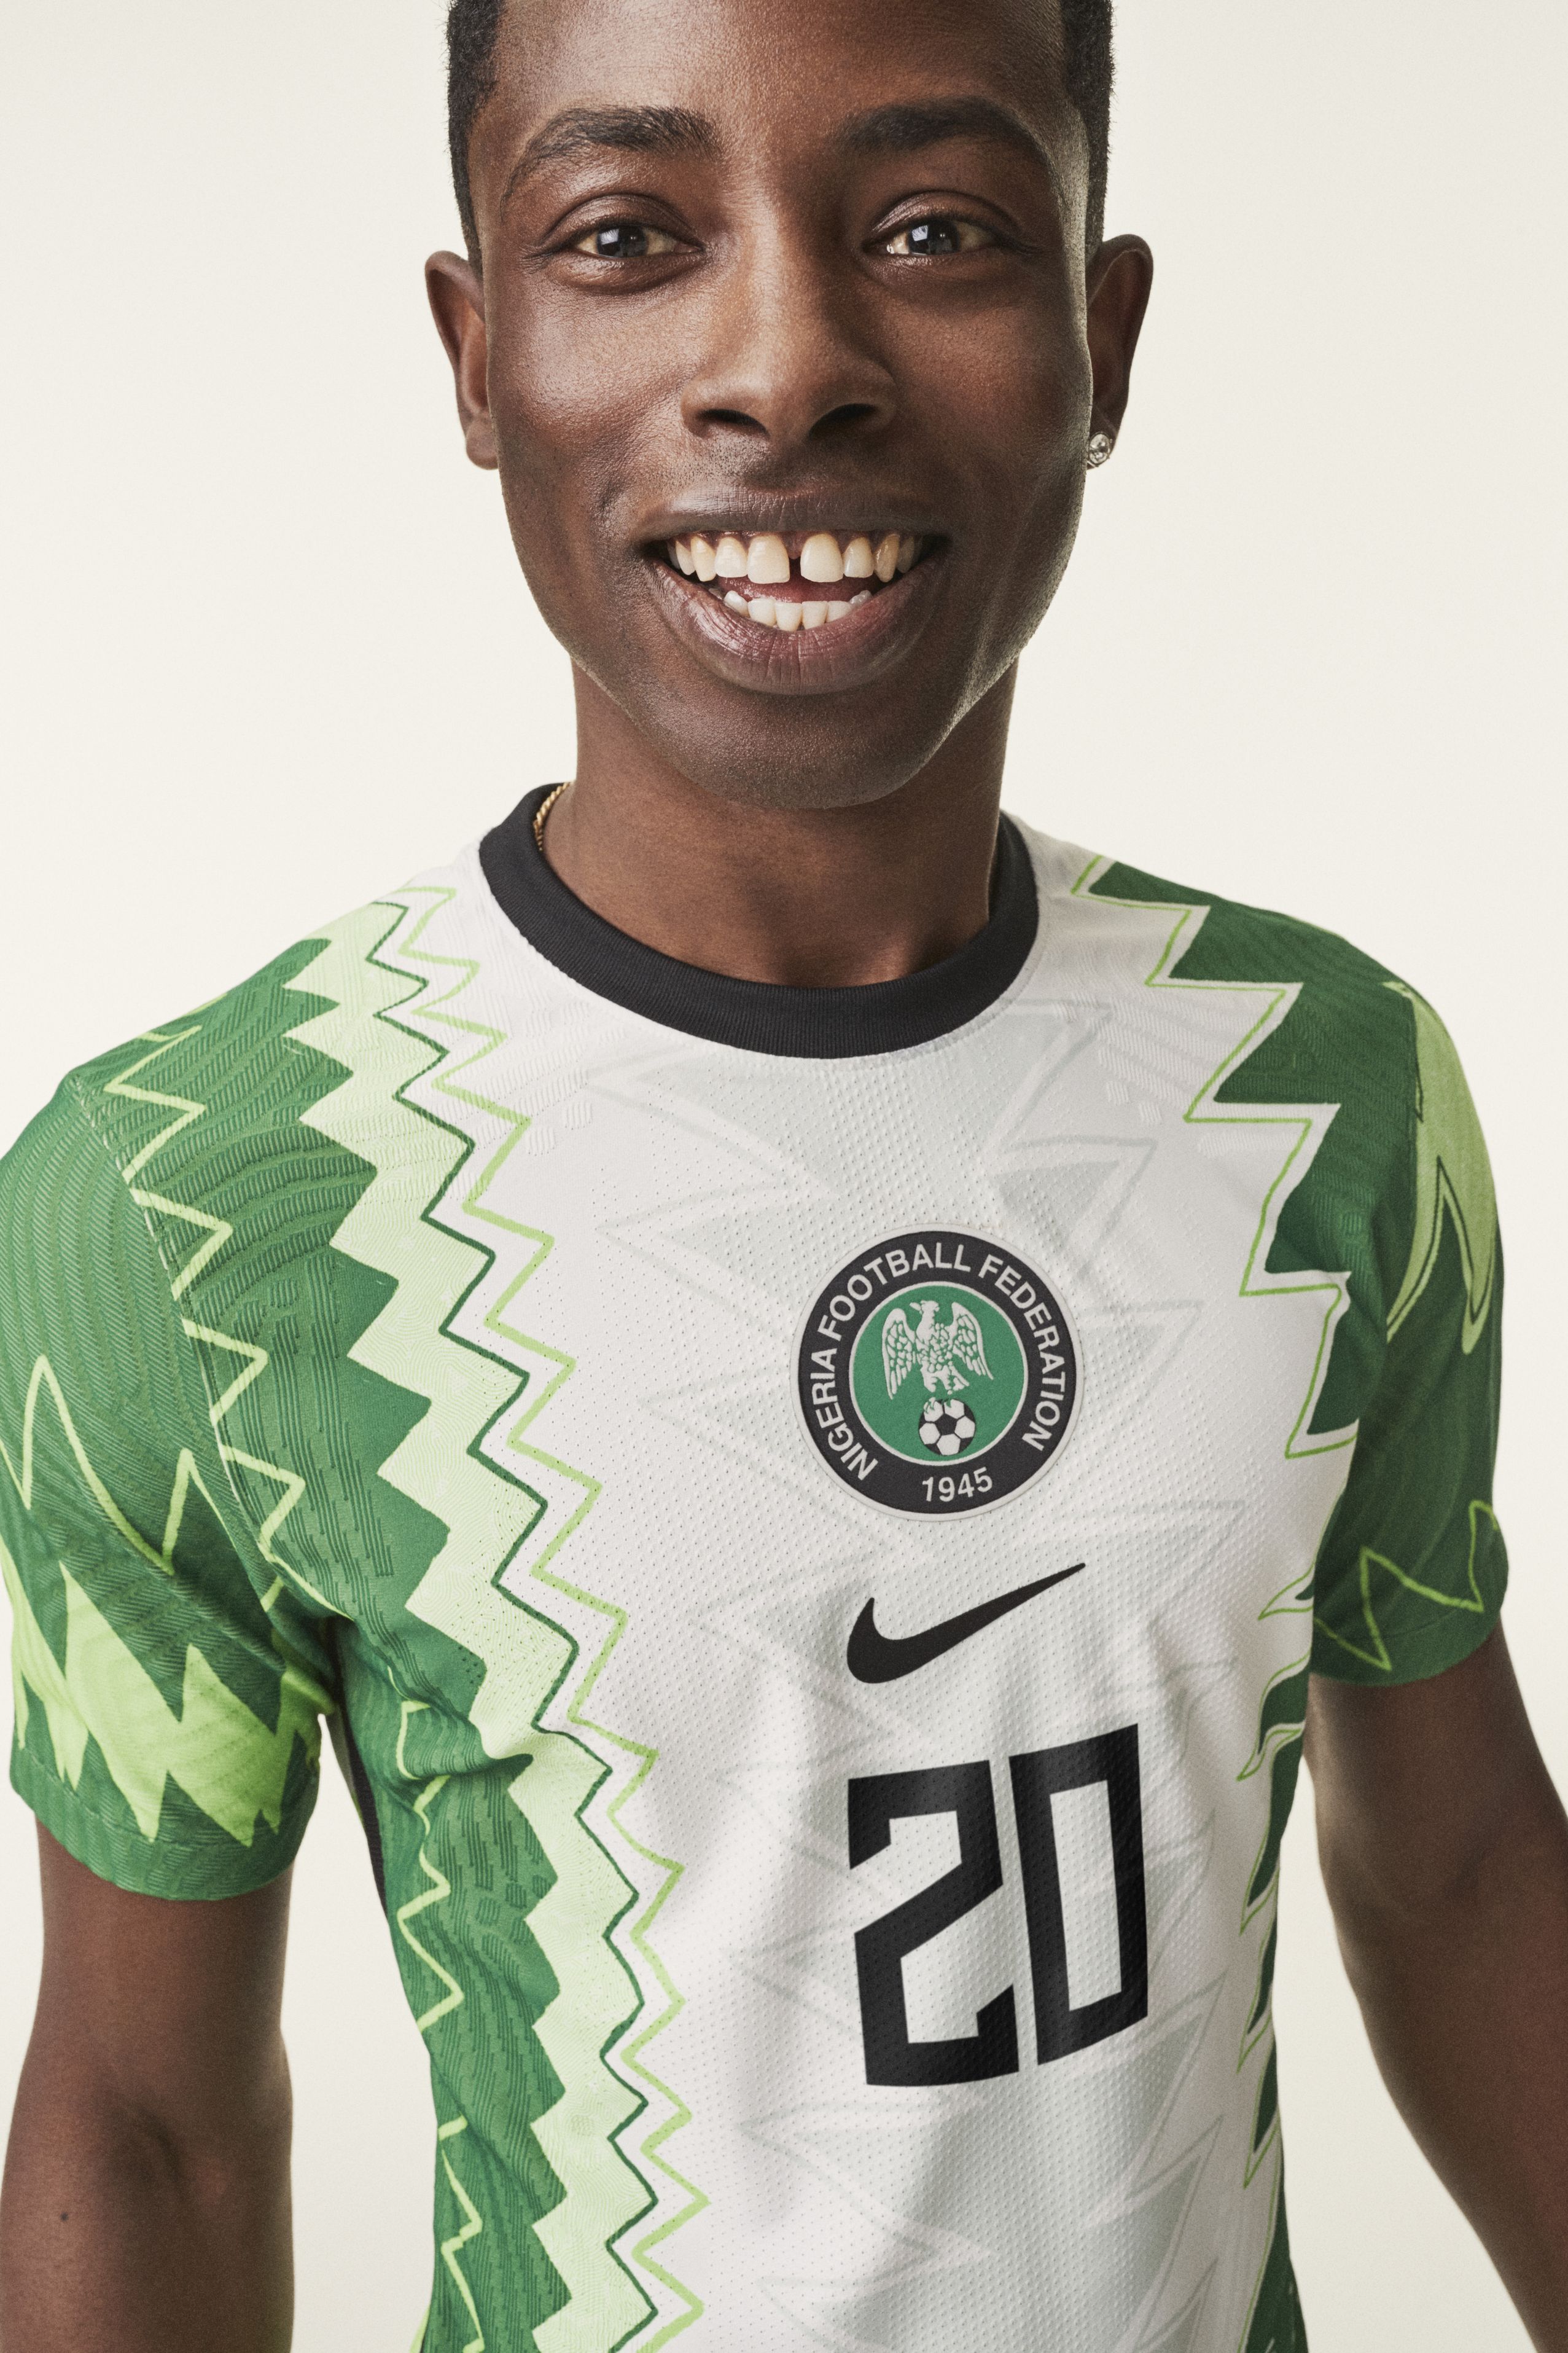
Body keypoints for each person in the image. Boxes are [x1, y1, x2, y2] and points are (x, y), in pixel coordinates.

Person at [2, 0, 1566, 2345]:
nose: (783, 367)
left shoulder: (1324, 1087)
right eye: (624, 236)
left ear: (1102, 337)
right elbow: (148, 2123)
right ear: (478, 353)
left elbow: (1457, 1874)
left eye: (933, 230)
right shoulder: (189, 1208)